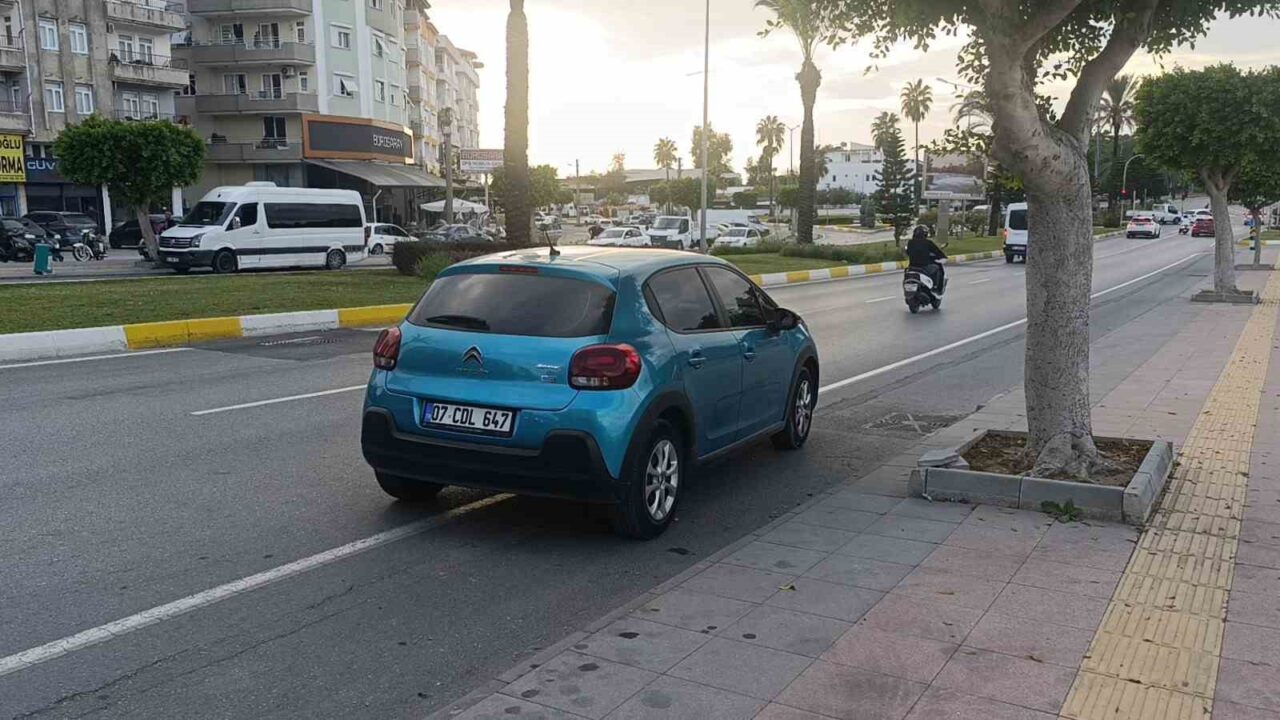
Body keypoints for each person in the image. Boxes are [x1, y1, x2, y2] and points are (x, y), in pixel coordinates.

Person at [905, 225, 947, 292]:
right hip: (924, 266)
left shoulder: (910, 243)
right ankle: (937, 289)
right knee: (938, 268)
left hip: (912, 267)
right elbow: (938, 252)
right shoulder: (928, 243)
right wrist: (942, 257)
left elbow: (908, 252)